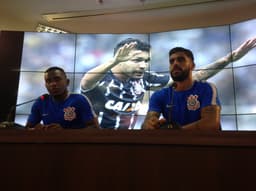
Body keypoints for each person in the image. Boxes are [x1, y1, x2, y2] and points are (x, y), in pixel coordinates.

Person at [80, 37, 256, 129]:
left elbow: (194, 76)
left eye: (146, 60)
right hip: (99, 141)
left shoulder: (144, 78)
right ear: (119, 58)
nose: (142, 65)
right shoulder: (101, 77)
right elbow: (86, 82)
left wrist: (228, 59)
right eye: (137, 60)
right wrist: (113, 62)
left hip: (126, 141)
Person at [142, 47, 221, 130]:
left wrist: (176, 132)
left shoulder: (206, 88)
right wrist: (151, 125)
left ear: (192, 66)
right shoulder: (159, 95)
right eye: (171, 61)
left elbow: (211, 124)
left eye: (181, 60)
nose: (175, 63)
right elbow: (146, 125)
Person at [26, 66, 99, 130]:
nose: (53, 84)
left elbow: (94, 128)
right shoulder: (41, 102)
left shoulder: (79, 99)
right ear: (45, 85)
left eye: (57, 79)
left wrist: (64, 133)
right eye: (48, 81)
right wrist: (37, 129)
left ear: (67, 82)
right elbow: (27, 128)